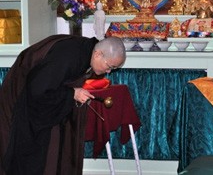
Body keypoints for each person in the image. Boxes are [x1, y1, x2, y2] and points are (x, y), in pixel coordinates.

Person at [0, 35, 126, 175]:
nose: (109, 72)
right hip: (21, 102)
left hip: (40, 100)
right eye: (110, 67)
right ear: (98, 54)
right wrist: (72, 93)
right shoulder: (68, 55)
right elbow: (38, 89)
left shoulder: (85, 51)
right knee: (27, 157)